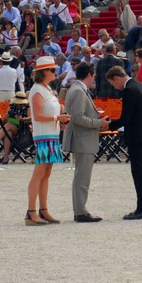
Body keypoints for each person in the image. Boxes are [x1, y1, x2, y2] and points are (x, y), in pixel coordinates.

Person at [106, 66, 142, 220]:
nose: (115, 87)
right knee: (140, 171)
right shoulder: (140, 86)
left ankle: (141, 209)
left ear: (116, 78)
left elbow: (125, 118)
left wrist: (108, 125)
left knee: (138, 172)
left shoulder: (129, 90)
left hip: (136, 135)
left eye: (112, 84)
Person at [26, 56, 71, 225]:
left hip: (50, 134)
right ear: (44, 72)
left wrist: (60, 121)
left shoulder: (47, 89)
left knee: (46, 174)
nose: (55, 72)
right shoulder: (38, 90)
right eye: (52, 70)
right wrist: (57, 117)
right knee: (39, 174)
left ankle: (43, 209)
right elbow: (37, 116)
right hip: (43, 135)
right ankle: (31, 211)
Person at [63, 63, 109, 223]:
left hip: (81, 138)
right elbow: (78, 117)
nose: (94, 79)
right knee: (82, 178)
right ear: (89, 75)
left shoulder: (75, 89)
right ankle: (80, 211)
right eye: (93, 76)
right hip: (83, 139)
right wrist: (99, 123)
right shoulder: (78, 91)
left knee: (81, 177)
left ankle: (80, 210)